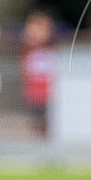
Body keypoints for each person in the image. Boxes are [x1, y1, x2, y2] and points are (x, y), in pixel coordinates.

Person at [20, 10, 58, 138]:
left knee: (50, 128)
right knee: (35, 128)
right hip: (33, 96)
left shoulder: (53, 49)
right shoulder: (27, 49)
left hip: (51, 95)